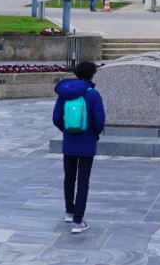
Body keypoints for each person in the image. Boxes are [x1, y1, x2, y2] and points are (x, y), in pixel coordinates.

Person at [52, 60, 106, 234]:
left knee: (69, 177)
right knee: (83, 182)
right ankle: (78, 221)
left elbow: (56, 118)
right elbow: (99, 121)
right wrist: (94, 134)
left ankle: (69, 212)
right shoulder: (93, 94)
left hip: (69, 142)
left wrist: (67, 131)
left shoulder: (64, 93)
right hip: (87, 142)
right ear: (92, 74)